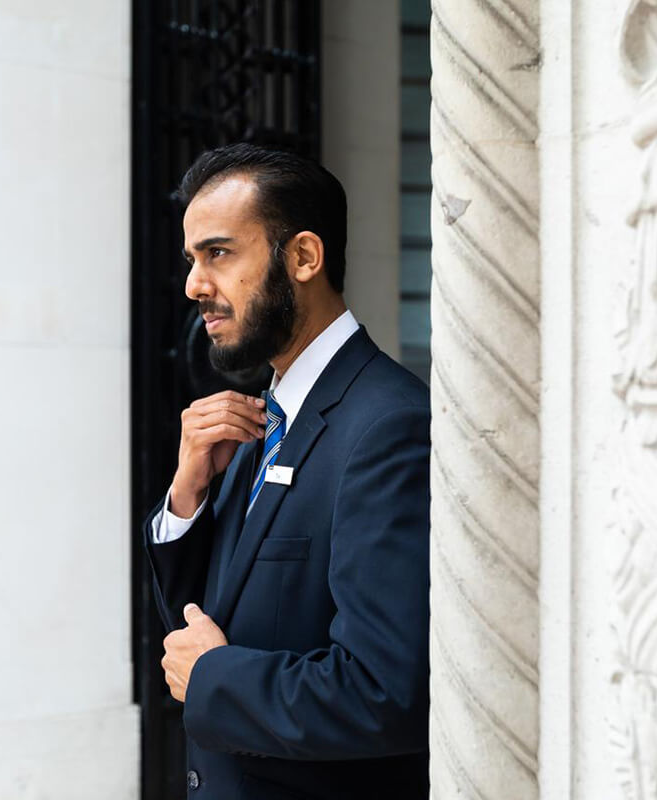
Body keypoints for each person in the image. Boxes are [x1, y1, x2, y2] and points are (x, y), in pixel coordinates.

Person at [142, 143, 431, 800]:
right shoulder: (263, 417)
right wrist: (185, 499)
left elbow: (386, 693)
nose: (194, 285)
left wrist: (214, 679)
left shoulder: (389, 426)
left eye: (218, 253)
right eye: (192, 260)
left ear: (303, 257)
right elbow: (209, 620)